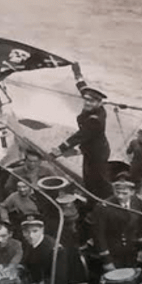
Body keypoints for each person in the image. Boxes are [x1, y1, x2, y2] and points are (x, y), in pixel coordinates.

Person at [50, 67, 111, 200]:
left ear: (99, 103)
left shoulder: (95, 120)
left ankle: (106, 200)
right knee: (87, 175)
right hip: (89, 148)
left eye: (91, 101)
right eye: (86, 99)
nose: (87, 103)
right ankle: (91, 195)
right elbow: (83, 88)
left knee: (98, 179)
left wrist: (59, 149)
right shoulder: (94, 107)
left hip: (97, 153)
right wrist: (77, 74)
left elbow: (78, 137)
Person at [91, 174, 142, 271]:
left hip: (132, 252)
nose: (120, 196)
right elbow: (99, 235)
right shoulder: (103, 207)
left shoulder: (137, 202)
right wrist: (107, 261)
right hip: (114, 255)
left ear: (132, 192)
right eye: (117, 192)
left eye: (124, 193)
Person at [19, 215, 68, 284]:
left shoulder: (55, 250)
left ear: (42, 230)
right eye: (26, 232)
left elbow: (58, 281)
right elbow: (26, 263)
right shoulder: (28, 243)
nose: (31, 236)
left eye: (35, 231)